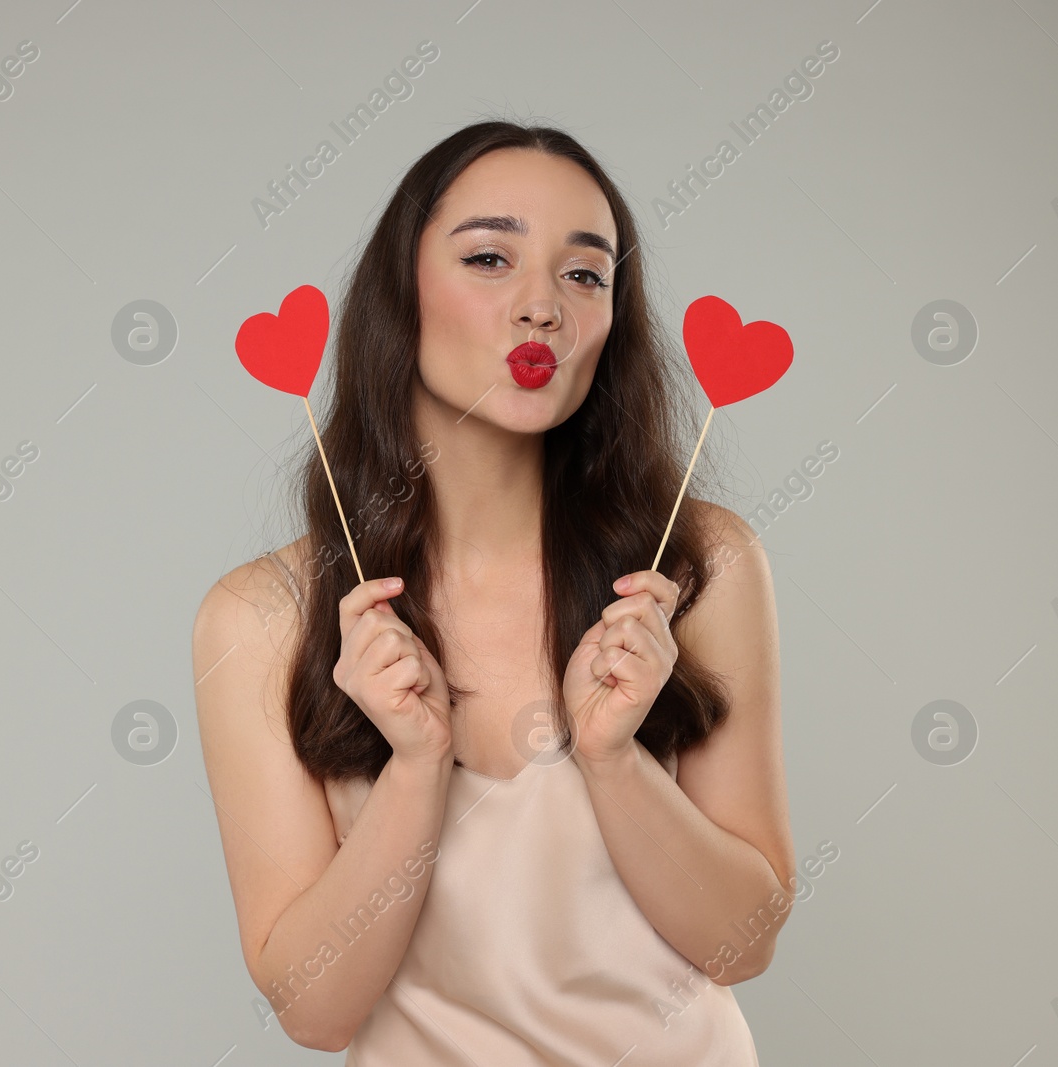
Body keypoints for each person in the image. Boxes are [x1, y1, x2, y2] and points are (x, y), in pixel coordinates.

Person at [191, 120, 794, 1065]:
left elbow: (743, 943)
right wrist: (417, 768)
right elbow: (317, 1012)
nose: (541, 307)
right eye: (488, 257)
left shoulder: (696, 566)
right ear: (402, 295)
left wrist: (614, 758)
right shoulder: (261, 617)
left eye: (584, 274)